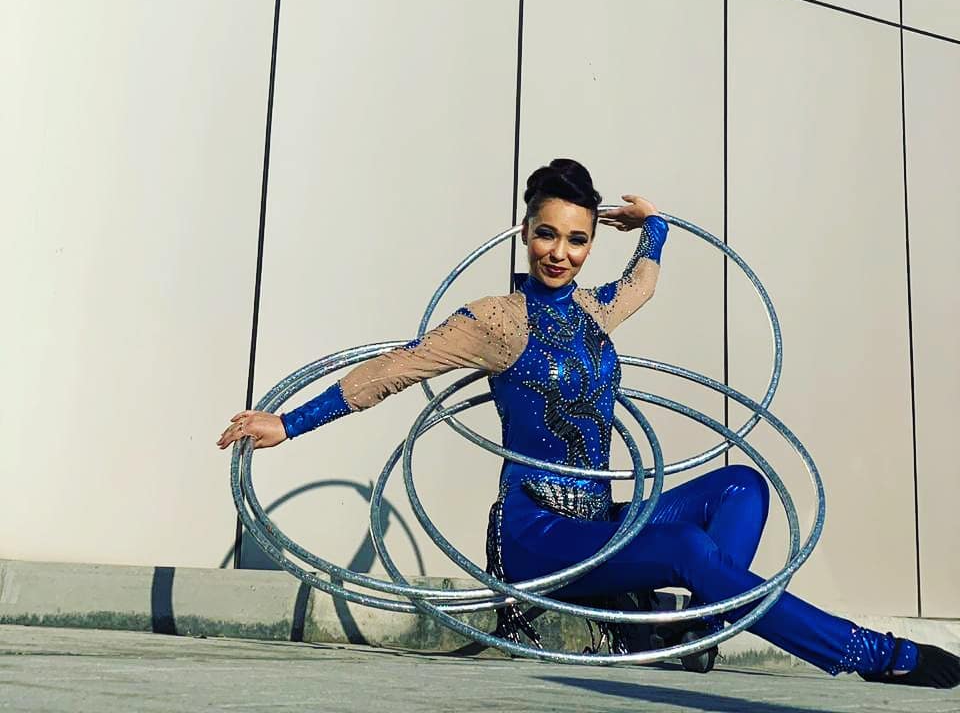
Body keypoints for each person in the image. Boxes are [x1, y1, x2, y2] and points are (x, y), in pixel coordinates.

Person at [217, 158, 960, 689]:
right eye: (547, 235)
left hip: (599, 520)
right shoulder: (495, 321)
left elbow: (644, 282)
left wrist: (655, 226)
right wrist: (289, 423)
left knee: (741, 486)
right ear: (525, 232)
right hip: (539, 537)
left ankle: (696, 627)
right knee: (686, 548)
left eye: (576, 240)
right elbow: (398, 368)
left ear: (589, 243)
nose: (560, 253)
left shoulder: (593, 309)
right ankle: (875, 655)